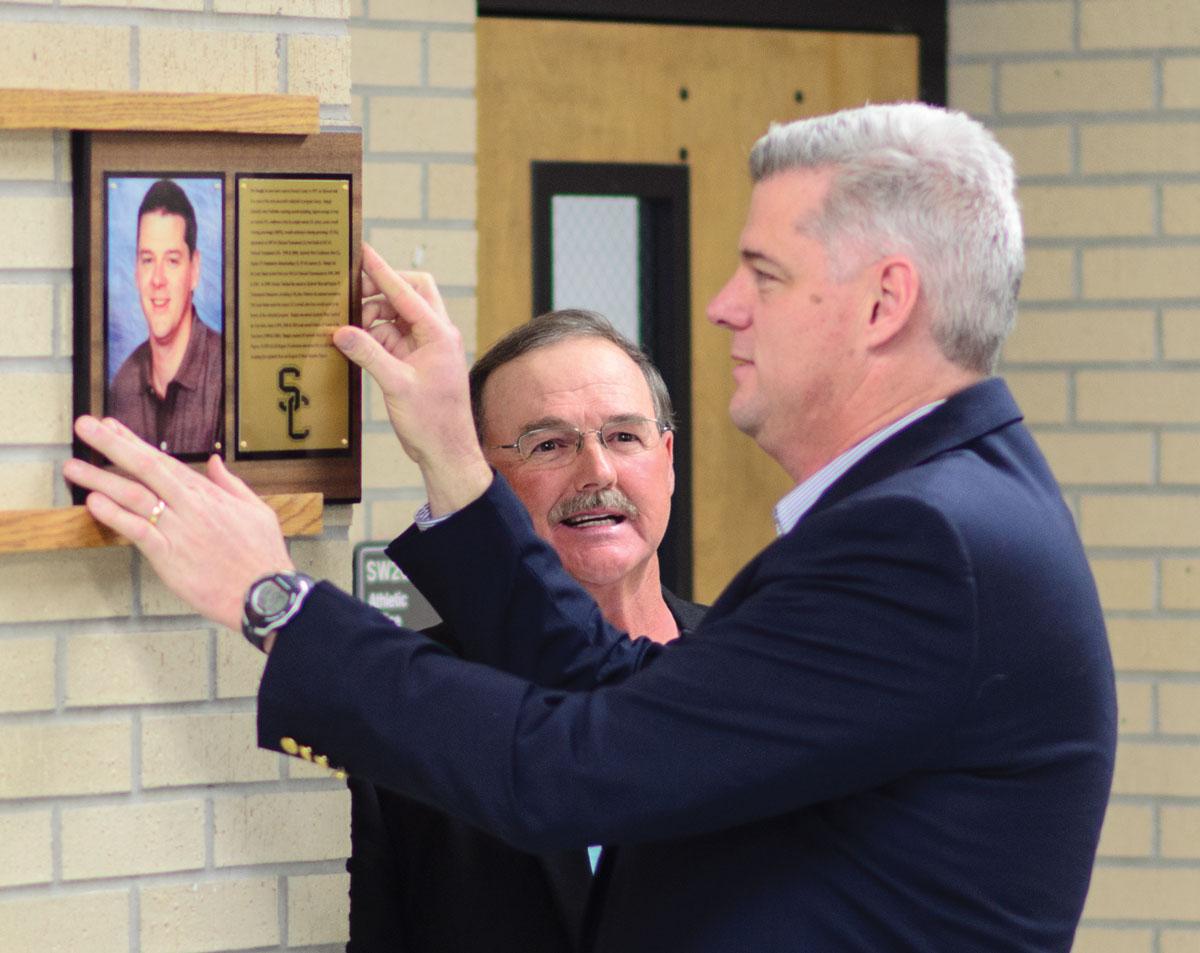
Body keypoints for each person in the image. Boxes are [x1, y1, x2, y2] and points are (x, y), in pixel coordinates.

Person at [66, 103, 1117, 953]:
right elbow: (616, 690)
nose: (721, 307)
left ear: (885, 302)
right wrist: (456, 453)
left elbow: (569, 766)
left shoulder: (926, 544)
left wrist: (276, 604)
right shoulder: (946, 509)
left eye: (764, 275)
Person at [348, 310, 704, 953]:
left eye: (624, 436)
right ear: (483, 482)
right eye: (549, 445)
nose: (597, 472)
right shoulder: (416, 706)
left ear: (668, 458)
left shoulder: (755, 664)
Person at [109, 178, 223, 455]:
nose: (157, 279)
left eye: (172, 260)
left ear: (194, 269)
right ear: (136, 270)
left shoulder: (227, 377)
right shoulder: (121, 387)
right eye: (148, 260)